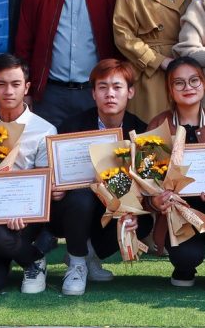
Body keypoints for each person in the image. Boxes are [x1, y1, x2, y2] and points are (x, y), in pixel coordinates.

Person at [50, 59, 151, 294]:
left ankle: (90, 256)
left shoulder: (141, 131)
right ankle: (76, 264)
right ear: (93, 93)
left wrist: (134, 210)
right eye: (103, 87)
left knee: (144, 221)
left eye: (117, 87)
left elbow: (147, 184)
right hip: (73, 208)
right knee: (82, 198)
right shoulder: (71, 127)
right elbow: (54, 174)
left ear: (130, 92)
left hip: (114, 208)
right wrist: (54, 188)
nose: (110, 94)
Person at [146, 56, 205, 292]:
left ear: (204, 84)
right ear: (170, 90)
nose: (187, 87)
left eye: (194, 80)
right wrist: (156, 200)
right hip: (177, 213)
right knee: (186, 257)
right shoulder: (158, 125)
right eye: (178, 83)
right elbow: (146, 181)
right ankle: (184, 267)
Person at [0, 54, 59, 296]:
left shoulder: (44, 130)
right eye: (1, 84)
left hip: (27, 219)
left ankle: (33, 260)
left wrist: (24, 213)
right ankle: (30, 255)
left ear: (26, 87)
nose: (8, 91)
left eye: (15, 84)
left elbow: (44, 186)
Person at [15, 0, 120, 129]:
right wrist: (26, 91)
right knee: (48, 145)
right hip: (49, 94)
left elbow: (119, 45)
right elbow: (23, 47)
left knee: (94, 146)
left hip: (93, 91)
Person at [114, 0, 194, 121]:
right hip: (148, 72)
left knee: (184, 128)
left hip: (183, 70)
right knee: (153, 132)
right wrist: (159, 61)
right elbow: (123, 35)